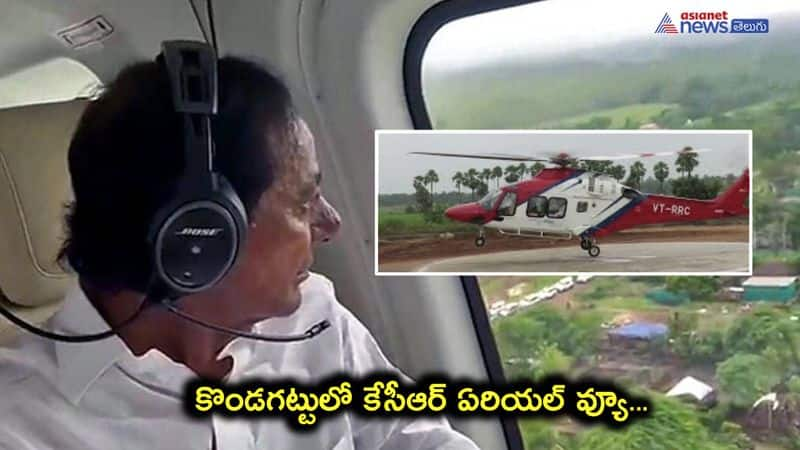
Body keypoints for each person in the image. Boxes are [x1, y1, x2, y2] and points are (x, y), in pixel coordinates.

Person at [0, 55, 479, 449]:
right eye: (302, 200)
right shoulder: (22, 428)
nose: (331, 224)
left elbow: (415, 438)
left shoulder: (316, 319)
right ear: (201, 234)